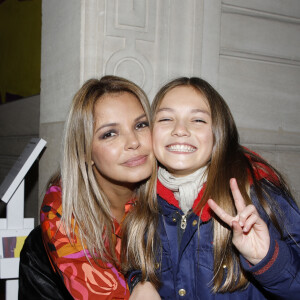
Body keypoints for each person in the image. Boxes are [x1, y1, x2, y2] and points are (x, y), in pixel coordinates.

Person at [128, 77, 300, 299]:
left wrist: (268, 259)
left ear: (219, 133)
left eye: (198, 120)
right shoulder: (143, 199)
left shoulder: (254, 194)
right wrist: (139, 282)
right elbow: (133, 262)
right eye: (166, 118)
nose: (180, 130)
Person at [24, 75, 157, 299]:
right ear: (86, 151)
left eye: (141, 124)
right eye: (109, 134)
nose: (134, 142)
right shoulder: (62, 210)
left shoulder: (168, 190)